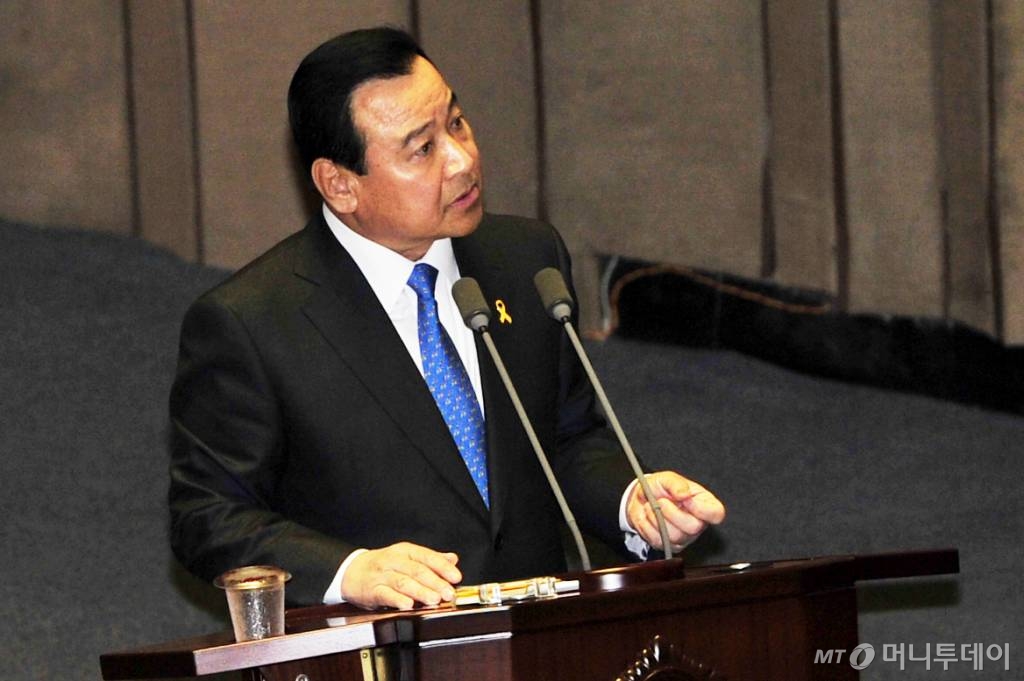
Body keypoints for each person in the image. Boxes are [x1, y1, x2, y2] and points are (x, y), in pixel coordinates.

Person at [168, 26, 724, 610]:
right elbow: (208, 515)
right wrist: (349, 571)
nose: (462, 159)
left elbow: (565, 437)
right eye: (423, 149)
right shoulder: (252, 322)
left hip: (541, 636)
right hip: (378, 643)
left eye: (456, 123)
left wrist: (630, 500)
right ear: (340, 185)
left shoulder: (527, 260)